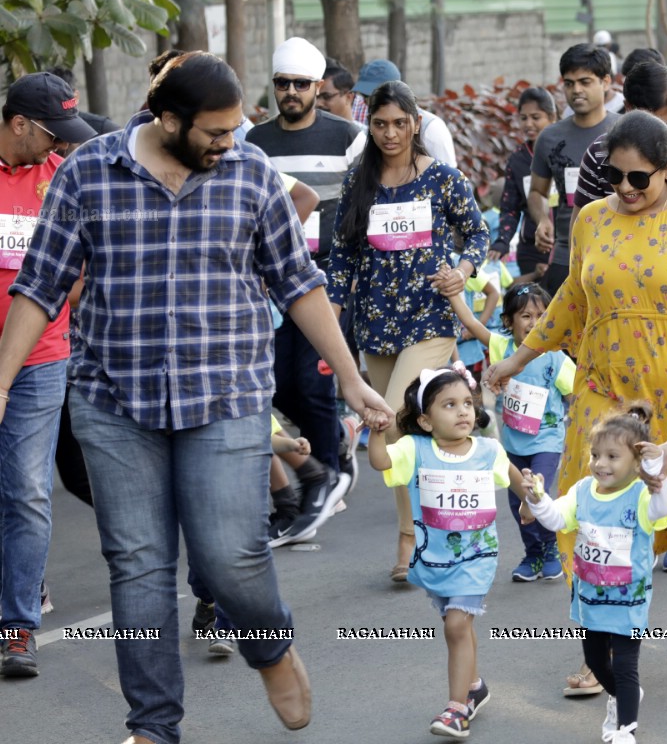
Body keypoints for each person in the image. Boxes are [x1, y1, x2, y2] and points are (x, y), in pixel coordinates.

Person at [0, 52, 395, 743]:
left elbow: (299, 284)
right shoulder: (89, 174)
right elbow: (38, 285)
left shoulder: (250, 177)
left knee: (229, 556)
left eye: (235, 129)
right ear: (169, 119)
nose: (229, 143)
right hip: (114, 403)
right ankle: (153, 726)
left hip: (226, 398)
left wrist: (354, 380)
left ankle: (269, 647)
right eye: (216, 131)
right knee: (138, 568)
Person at [485, 111, 667, 675]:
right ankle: (599, 647)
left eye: (639, 178)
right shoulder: (589, 221)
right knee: (593, 517)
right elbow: (570, 304)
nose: (625, 190)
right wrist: (516, 357)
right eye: (615, 178)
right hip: (605, 393)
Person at [326, 80, 490, 582]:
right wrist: (330, 335)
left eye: (400, 123)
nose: (390, 133)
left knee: (390, 425)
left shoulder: (442, 178)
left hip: (429, 323)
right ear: (369, 126)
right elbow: (342, 260)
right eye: (380, 124)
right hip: (375, 326)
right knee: (407, 433)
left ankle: (416, 533)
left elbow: (479, 232)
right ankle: (417, 533)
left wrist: (462, 271)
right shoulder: (360, 181)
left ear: (416, 124)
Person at [246, 37, 364, 545]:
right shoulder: (254, 141)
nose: (290, 92)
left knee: (312, 378)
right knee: (278, 382)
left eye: (300, 84)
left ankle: (325, 477)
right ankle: (331, 445)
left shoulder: (350, 137)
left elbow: (363, 208)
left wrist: (353, 271)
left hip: (328, 274)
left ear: (319, 86)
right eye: (282, 84)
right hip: (274, 276)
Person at [367, 369, 525, 739]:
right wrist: (376, 431)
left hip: (477, 557)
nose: (463, 412)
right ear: (424, 419)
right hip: (435, 558)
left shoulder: (488, 450)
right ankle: (474, 685)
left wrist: (530, 500)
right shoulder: (414, 449)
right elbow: (380, 462)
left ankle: (457, 710)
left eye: (467, 403)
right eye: (449, 405)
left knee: (457, 625)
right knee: (456, 627)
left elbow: (513, 474)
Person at [0, 72, 95, 678]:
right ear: (17, 125)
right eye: (50, 133)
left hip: (40, 359)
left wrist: (63, 304)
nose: (58, 145)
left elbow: (81, 255)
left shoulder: (60, 177)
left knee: (28, 492)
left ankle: (16, 629)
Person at [523, 403, 667, 744]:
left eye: (612, 457)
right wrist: (537, 498)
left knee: (624, 665)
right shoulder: (582, 491)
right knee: (594, 659)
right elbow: (557, 519)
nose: (600, 464)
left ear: (636, 463)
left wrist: (656, 473)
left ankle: (625, 729)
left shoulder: (642, 495)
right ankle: (622, 696)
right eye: (595, 455)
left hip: (628, 600)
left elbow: (663, 511)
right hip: (591, 598)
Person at [448, 284, 575, 581]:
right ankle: (533, 554)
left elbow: (576, 395)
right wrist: (454, 293)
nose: (534, 323)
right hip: (513, 444)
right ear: (509, 321)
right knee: (517, 502)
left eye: (542, 316)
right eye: (526, 315)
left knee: (535, 492)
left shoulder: (555, 357)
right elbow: (471, 322)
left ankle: (552, 549)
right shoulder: (501, 347)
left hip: (547, 440)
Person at [529, 44, 619, 295]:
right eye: (569, 83)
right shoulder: (549, 137)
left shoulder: (626, 132)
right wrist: (542, 220)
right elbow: (537, 191)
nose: (576, 90)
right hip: (566, 254)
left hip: (619, 252)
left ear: (606, 82)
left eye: (585, 82)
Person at [573, 61, 667, 213]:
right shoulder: (599, 153)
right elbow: (583, 223)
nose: (660, 139)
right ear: (628, 107)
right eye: (617, 175)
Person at [487, 87, 557, 274]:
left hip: (566, 246)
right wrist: (502, 240)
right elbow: (510, 207)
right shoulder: (518, 159)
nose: (529, 124)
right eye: (524, 118)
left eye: (536, 117)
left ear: (552, 117)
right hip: (532, 249)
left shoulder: (565, 151)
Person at [352, 59, 458, 167]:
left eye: (371, 96)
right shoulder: (370, 121)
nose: (366, 102)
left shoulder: (430, 127)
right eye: (365, 96)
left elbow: (448, 178)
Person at [317, 60, 359, 125]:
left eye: (326, 96)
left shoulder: (365, 134)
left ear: (349, 97)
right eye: (315, 97)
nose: (318, 103)